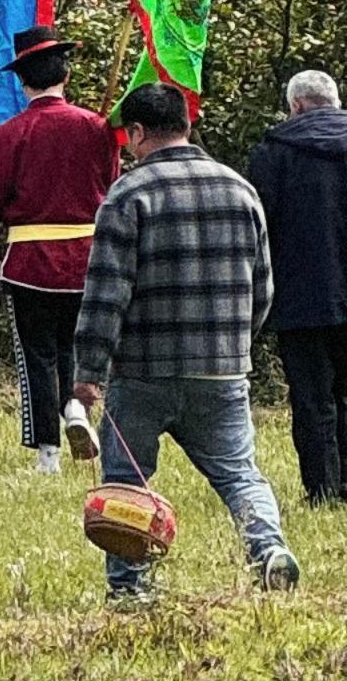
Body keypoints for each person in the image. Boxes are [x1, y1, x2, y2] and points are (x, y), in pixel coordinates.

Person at [68, 81, 300, 598]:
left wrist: (88, 372)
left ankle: (130, 586)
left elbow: (107, 294)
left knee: (128, 480)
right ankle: (268, 548)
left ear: (137, 133)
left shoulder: (128, 196)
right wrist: (235, 344)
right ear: (187, 126)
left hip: (143, 371)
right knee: (241, 474)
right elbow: (262, 287)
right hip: (221, 369)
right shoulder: (241, 190)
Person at [0, 25, 118, 466]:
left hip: (30, 263)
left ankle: (47, 453)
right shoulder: (98, 128)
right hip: (89, 260)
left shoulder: (12, 134)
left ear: (22, 80)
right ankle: (74, 407)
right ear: (65, 76)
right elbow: (112, 188)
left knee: (37, 356)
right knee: (74, 347)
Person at [244, 66, 347, 512]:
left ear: (296, 106)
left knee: (311, 397)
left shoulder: (272, 154)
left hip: (300, 296)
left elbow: (259, 229)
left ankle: (322, 488)